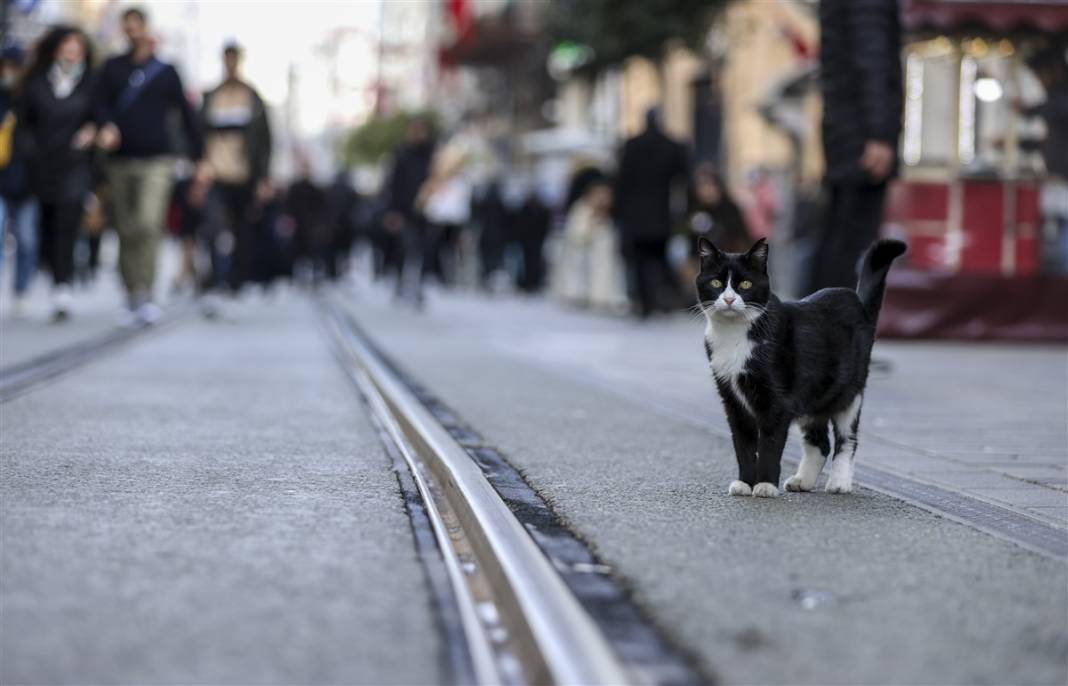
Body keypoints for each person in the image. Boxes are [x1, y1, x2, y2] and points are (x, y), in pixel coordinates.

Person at [93, 6, 203, 325]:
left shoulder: (166, 72)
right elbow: (98, 105)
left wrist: (199, 159)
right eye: (126, 27)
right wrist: (105, 125)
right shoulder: (112, 68)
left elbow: (186, 115)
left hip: (157, 160)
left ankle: (147, 291)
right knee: (126, 228)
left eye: (136, 26)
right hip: (120, 160)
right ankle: (130, 293)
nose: (131, 32)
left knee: (148, 223)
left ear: (146, 29)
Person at [805, 0, 902, 295]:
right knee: (853, 243)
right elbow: (871, 60)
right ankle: (832, 330)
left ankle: (814, 326)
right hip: (860, 135)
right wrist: (879, 134)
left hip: (845, 131)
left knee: (838, 233)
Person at [18, 26, 97, 321]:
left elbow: (100, 116)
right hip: (42, 166)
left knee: (67, 223)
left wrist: (94, 131)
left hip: (75, 166)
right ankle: (54, 276)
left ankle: (63, 287)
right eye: (67, 45)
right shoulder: (37, 83)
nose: (72, 51)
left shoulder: (90, 84)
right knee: (47, 227)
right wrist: (30, 154)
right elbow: (23, 125)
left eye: (77, 46)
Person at [200, 42, 272, 292]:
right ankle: (215, 276)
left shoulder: (251, 97)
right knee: (214, 227)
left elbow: (264, 140)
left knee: (242, 229)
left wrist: (264, 178)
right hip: (215, 174)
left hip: (244, 176)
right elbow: (198, 134)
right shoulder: (211, 96)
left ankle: (236, 278)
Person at [614, 107, 689, 318]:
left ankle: (645, 304)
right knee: (661, 259)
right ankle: (664, 301)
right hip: (661, 215)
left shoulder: (632, 145)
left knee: (639, 262)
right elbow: (684, 180)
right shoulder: (672, 146)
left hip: (636, 217)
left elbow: (621, 183)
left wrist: (618, 214)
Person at [1017, 44, 1068, 274]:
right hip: (1058, 180)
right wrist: (1024, 144)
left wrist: (1026, 111)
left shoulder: (1060, 98)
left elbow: (1053, 109)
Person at [554, 174, 627, 311]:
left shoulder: (609, 210)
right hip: (583, 258)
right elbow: (575, 233)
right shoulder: (582, 208)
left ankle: (603, 297)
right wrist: (592, 227)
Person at [0, 45, 36, 318]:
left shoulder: (32, 98)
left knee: (26, 239)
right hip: (2, 179)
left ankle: (21, 291)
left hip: (27, 181)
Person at [383, 118, 433, 304]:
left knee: (422, 250)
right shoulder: (401, 154)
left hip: (428, 213)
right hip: (405, 212)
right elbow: (392, 185)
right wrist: (392, 211)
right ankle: (402, 285)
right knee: (406, 249)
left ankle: (418, 286)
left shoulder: (432, 155)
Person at [688, 164, 751, 256]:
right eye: (702, 186)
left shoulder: (730, 209)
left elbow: (741, 239)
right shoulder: (695, 211)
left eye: (709, 185)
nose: (706, 190)